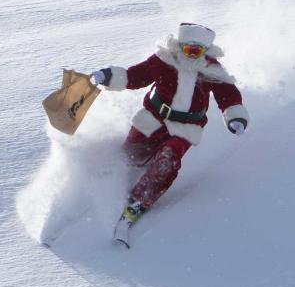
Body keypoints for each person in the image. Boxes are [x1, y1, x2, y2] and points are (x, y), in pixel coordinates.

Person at [91, 23, 249, 228]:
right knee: (133, 153)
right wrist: (109, 76)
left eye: (197, 51)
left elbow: (229, 96)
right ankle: (116, 170)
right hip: (154, 118)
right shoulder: (163, 60)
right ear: (179, 46)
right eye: (188, 49)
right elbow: (134, 76)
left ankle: (141, 199)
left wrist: (235, 117)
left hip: (185, 128)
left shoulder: (212, 70)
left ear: (206, 51)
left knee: (169, 158)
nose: (192, 55)